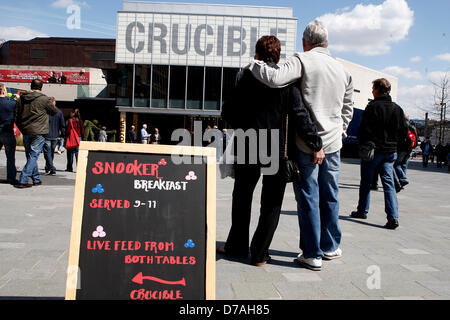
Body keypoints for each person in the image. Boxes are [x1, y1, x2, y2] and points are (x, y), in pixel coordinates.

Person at [247, 20, 354, 271]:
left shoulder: (302, 60)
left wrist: (254, 63)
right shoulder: (342, 70)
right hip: (333, 143)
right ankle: (330, 246)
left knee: (308, 197)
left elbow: (274, 78)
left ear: (305, 42)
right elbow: (347, 107)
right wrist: (341, 131)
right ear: (327, 42)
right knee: (330, 195)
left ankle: (312, 253)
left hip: (307, 143)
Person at [218, 35, 323, 267]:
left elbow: (228, 112)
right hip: (277, 148)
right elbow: (300, 115)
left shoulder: (245, 77)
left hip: (248, 144)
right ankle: (259, 254)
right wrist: (316, 144)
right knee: (272, 203)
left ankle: (236, 246)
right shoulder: (287, 81)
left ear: (257, 54)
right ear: (278, 55)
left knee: (242, 196)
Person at [350, 78, 409, 230]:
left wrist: (364, 145)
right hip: (390, 152)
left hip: (374, 150)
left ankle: (362, 210)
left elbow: (364, 130)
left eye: (373, 88)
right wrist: (396, 145)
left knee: (366, 182)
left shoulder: (372, 107)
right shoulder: (397, 108)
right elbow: (404, 131)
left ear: (377, 90)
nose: (371, 91)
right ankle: (393, 217)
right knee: (388, 184)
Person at [14, 78, 58, 188]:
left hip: (26, 130)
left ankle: (36, 179)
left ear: (30, 86)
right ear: (41, 87)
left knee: (30, 155)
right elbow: (54, 111)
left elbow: (16, 115)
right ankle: (23, 179)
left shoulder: (22, 98)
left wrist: (22, 127)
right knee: (33, 155)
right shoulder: (44, 99)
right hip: (39, 131)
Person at [0, 83, 18, 185]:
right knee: (10, 156)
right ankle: (11, 177)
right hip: (7, 130)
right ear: (3, 90)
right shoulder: (11, 103)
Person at [43, 97, 65, 175]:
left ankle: (51, 167)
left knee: (47, 152)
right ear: (54, 102)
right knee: (51, 152)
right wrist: (62, 134)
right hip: (55, 135)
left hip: (46, 135)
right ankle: (48, 166)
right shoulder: (59, 112)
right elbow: (62, 125)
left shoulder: (45, 112)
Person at [393, 114, 415, 192]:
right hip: (410, 149)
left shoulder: (402, 126)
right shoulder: (413, 127)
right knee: (404, 165)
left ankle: (403, 179)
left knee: (396, 164)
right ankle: (402, 181)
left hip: (402, 149)